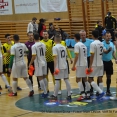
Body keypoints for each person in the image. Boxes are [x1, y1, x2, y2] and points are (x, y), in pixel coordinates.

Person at [50, 34, 71, 100]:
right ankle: (69, 94)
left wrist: (55, 68)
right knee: (66, 80)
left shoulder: (55, 47)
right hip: (65, 65)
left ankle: (55, 95)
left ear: (54, 40)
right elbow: (65, 57)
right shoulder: (64, 47)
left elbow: (55, 58)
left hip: (59, 67)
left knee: (57, 81)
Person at [72, 33, 91, 100]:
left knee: (78, 80)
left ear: (75, 38)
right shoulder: (83, 45)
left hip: (80, 64)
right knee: (85, 79)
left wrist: (74, 65)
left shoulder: (77, 45)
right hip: (85, 63)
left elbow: (76, 56)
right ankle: (88, 94)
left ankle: (82, 94)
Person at [29, 33, 48, 98]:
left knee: (40, 77)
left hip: (38, 63)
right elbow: (45, 53)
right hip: (44, 61)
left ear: (34, 38)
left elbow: (33, 56)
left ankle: (45, 92)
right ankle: (46, 90)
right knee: (44, 76)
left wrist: (30, 63)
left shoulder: (34, 46)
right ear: (39, 38)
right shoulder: (43, 44)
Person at [88, 30, 104, 99]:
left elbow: (92, 56)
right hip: (101, 62)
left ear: (92, 35)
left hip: (95, 64)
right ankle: (101, 93)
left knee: (90, 79)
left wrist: (90, 66)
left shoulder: (92, 44)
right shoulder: (101, 43)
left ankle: (100, 92)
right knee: (100, 78)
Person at [102, 32, 117, 96]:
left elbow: (113, 53)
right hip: (102, 62)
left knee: (109, 76)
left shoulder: (112, 44)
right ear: (104, 37)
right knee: (100, 76)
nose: (108, 37)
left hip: (109, 62)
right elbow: (105, 51)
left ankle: (108, 90)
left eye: (109, 36)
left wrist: (116, 59)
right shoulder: (102, 44)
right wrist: (108, 50)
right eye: (107, 36)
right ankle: (99, 90)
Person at [79, 30, 94, 94]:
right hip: (82, 59)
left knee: (90, 74)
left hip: (89, 58)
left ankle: (91, 88)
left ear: (86, 35)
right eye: (82, 35)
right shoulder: (78, 42)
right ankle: (85, 88)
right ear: (80, 36)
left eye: (84, 35)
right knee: (83, 74)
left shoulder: (90, 42)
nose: (83, 36)